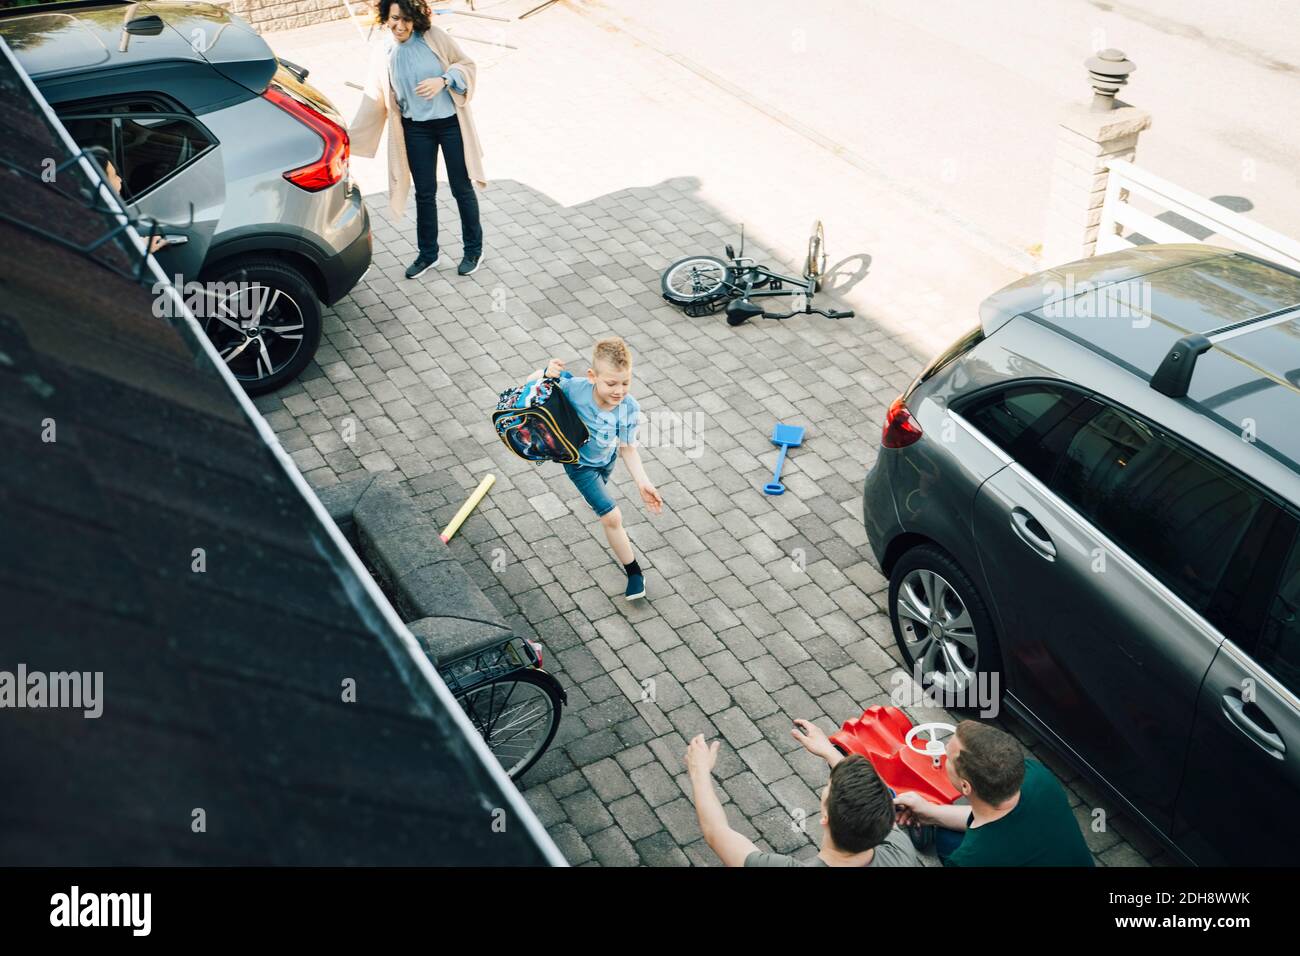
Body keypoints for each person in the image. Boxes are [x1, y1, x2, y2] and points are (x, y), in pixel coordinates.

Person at [350, 0, 485, 279]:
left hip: (450, 125)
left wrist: (445, 80)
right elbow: (374, 97)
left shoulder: (434, 37)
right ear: (385, 18)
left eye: (407, 19)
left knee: (461, 187)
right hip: (415, 130)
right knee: (425, 193)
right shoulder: (383, 51)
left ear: (416, 19)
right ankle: (428, 254)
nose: (400, 26)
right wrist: (349, 136)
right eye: (394, 19)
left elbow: (466, 64)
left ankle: (473, 249)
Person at [685, 719, 919, 867]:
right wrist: (829, 752)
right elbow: (877, 797)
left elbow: (716, 832)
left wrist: (699, 772)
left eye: (827, 788)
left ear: (825, 818)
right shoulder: (899, 849)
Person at [534, 338, 661, 601]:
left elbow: (627, 448)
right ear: (592, 377)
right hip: (579, 465)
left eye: (626, 383)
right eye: (611, 383)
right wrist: (545, 373)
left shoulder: (629, 407)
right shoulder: (574, 388)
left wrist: (643, 483)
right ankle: (635, 572)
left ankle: (599, 505)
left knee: (603, 502)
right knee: (611, 517)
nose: (619, 391)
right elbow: (534, 384)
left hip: (607, 459)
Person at [893, 719, 1095, 866]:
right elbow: (989, 817)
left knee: (947, 842)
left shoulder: (970, 860)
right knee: (946, 834)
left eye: (948, 756)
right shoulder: (1037, 775)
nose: (945, 751)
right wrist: (930, 812)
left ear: (965, 786)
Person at [84, 145, 165, 254]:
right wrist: (140, 247)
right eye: (114, 176)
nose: (120, 179)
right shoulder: (99, 217)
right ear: (101, 182)